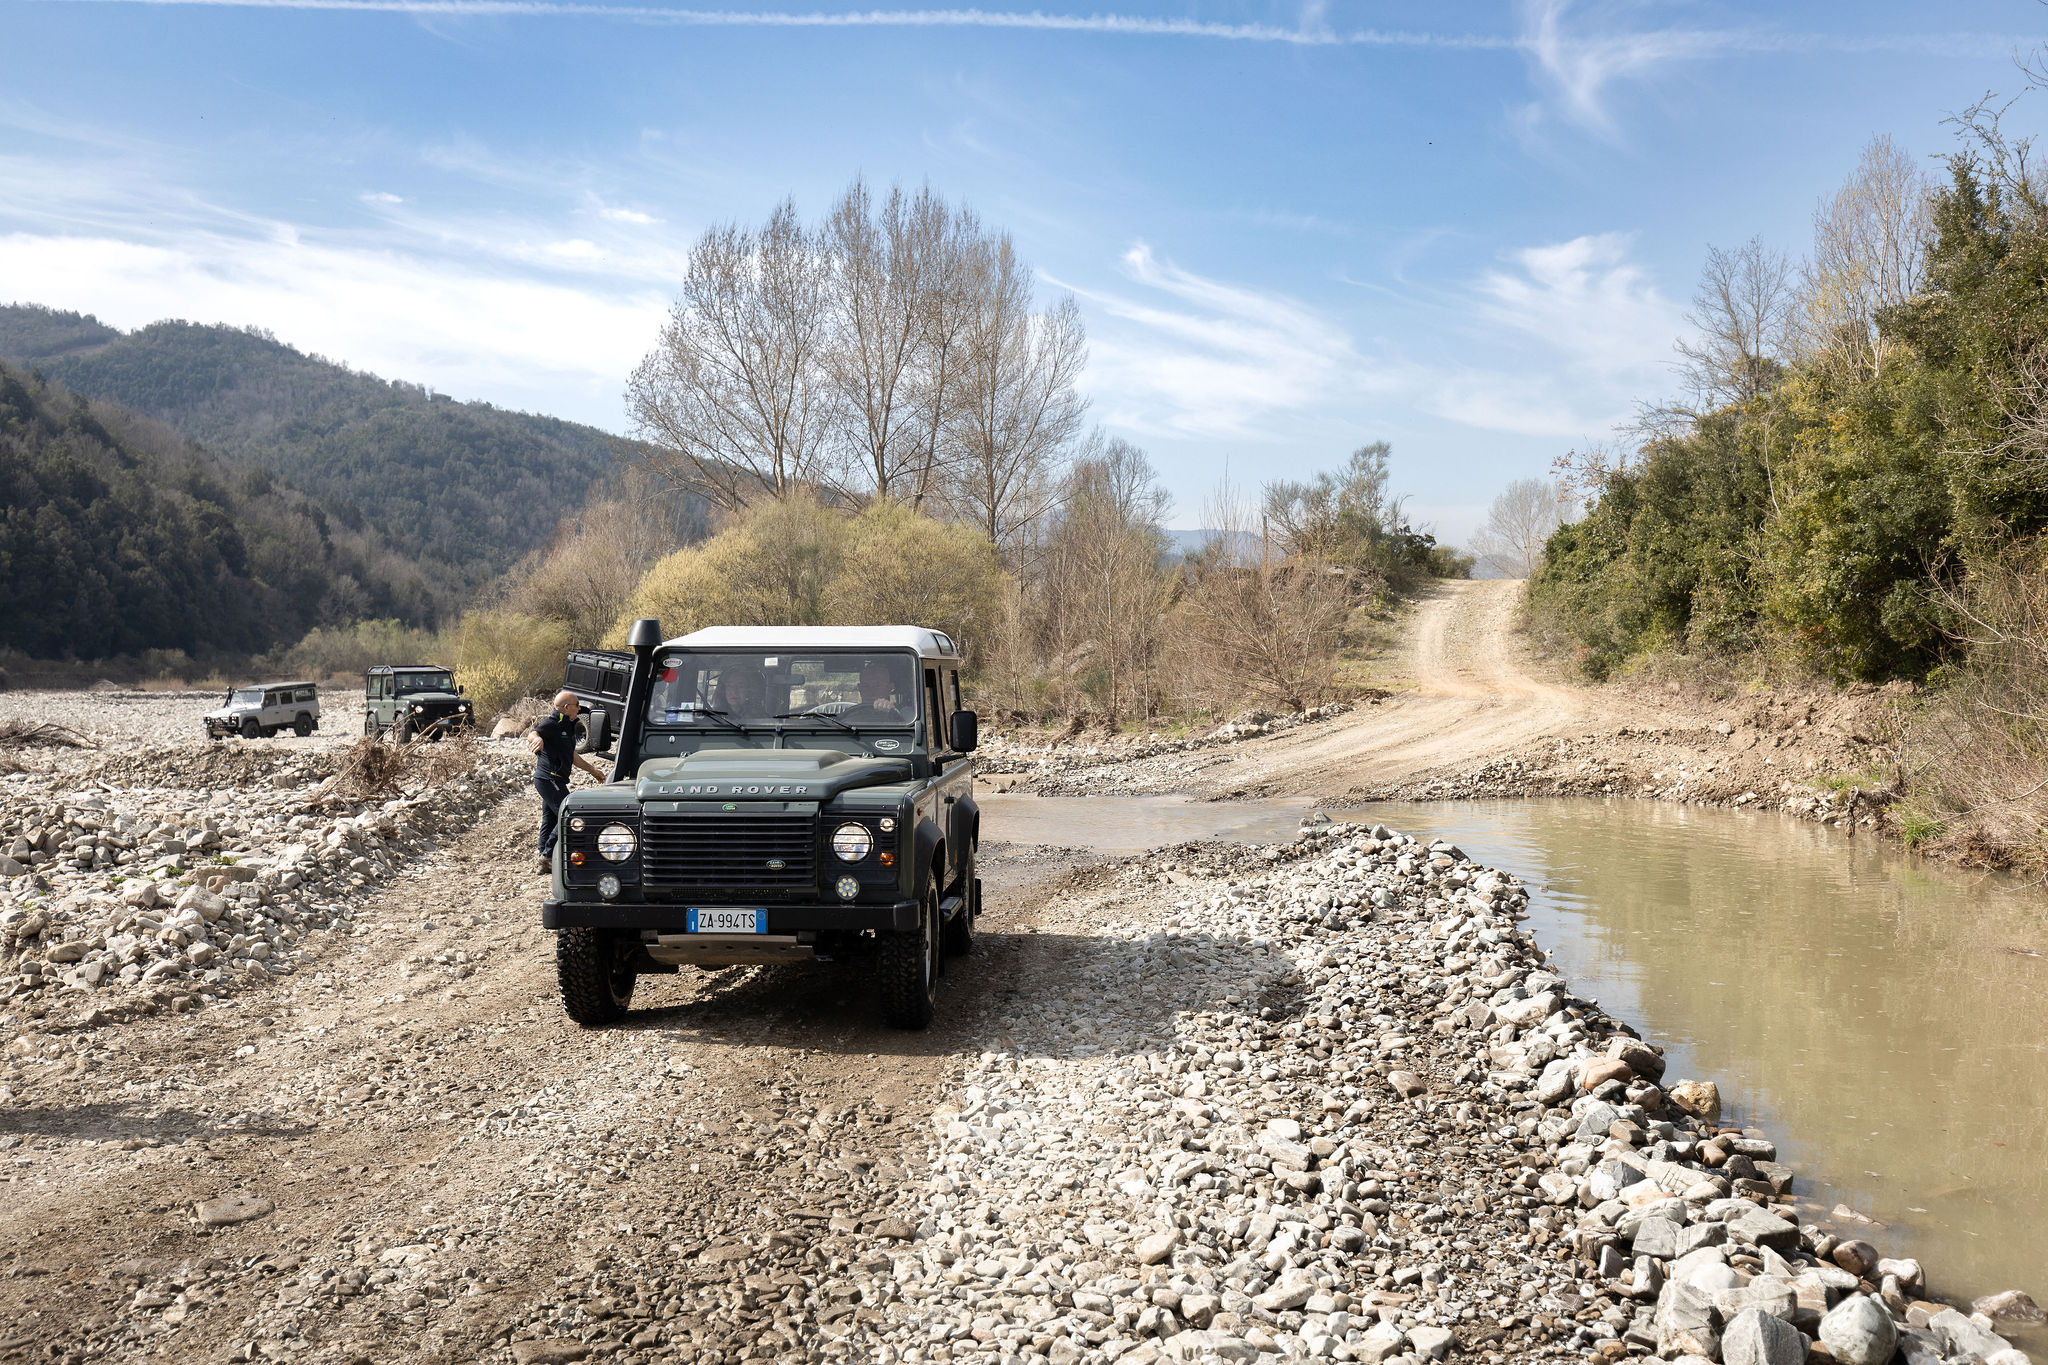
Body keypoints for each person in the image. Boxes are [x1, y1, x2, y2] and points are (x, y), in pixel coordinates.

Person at [528, 691, 608, 875]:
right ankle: (548, 856)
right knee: (568, 815)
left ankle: (543, 859)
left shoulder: (568, 726)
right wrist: (537, 739)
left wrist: (593, 771)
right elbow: (533, 734)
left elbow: (572, 756)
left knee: (550, 819)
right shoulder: (551, 723)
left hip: (555, 779)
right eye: (577, 705)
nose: (579, 708)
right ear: (566, 707)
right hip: (548, 779)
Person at [838, 660, 911, 725]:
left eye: (877, 685)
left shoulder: (906, 714)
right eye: (865, 686)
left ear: (890, 687)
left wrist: (892, 712)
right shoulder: (848, 715)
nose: (871, 691)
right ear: (860, 688)